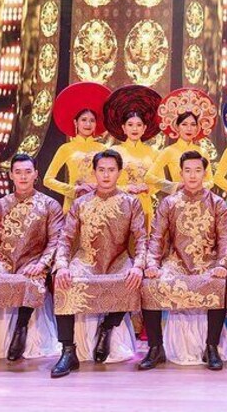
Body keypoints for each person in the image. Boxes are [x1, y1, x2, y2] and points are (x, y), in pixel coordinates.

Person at [0, 153, 64, 373]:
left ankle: (21, 327)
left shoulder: (50, 205)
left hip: (33, 261)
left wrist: (42, 264)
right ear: (11, 175)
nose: (23, 177)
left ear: (36, 174)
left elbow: (56, 240)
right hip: (3, 261)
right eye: (18, 172)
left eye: (28, 172)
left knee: (32, 281)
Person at [50, 149, 147, 378]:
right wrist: (61, 265)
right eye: (101, 170)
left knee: (132, 280)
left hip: (118, 259)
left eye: (111, 170)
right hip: (86, 259)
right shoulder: (80, 203)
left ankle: (108, 326)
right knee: (63, 282)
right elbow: (65, 238)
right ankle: (68, 350)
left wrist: (139, 265)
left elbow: (142, 238)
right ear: (94, 172)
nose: (106, 175)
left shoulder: (131, 202)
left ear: (119, 172)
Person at [139, 150, 227, 371]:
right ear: (180, 173)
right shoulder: (169, 203)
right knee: (149, 284)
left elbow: (226, 239)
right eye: (188, 171)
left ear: (205, 173)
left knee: (219, 283)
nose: (192, 175)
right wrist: (152, 264)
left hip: (207, 262)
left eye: (197, 170)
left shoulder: (217, 203)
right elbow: (157, 238)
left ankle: (211, 346)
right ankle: (155, 347)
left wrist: (222, 264)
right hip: (176, 262)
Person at [44, 82, 110, 212]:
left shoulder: (103, 149)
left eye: (92, 120)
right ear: (76, 122)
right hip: (74, 204)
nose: (88, 124)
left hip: (98, 204)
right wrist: (74, 190)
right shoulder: (66, 148)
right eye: (84, 120)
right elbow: (47, 180)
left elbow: (111, 179)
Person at [105, 85, 163, 227]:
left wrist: (148, 189)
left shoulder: (154, 152)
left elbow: (160, 181)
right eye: (130, 124)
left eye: (139, 125)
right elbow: (106, 181)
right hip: (119, 206)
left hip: (145, 206)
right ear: (124, 128)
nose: (134, 128)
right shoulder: (114, 152)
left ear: (144, 128)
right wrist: (127, 188)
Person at [146, 88, 216, 194]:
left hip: (200, 198)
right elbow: (149, 177)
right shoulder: (169, 151)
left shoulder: (203, 152)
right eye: (184, 124)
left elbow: (210, 181)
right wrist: (174, 186)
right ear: (177, 127)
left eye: (193, 125)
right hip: (178, 198)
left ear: (197, 128)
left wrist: (198, 187)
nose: (189, 128)